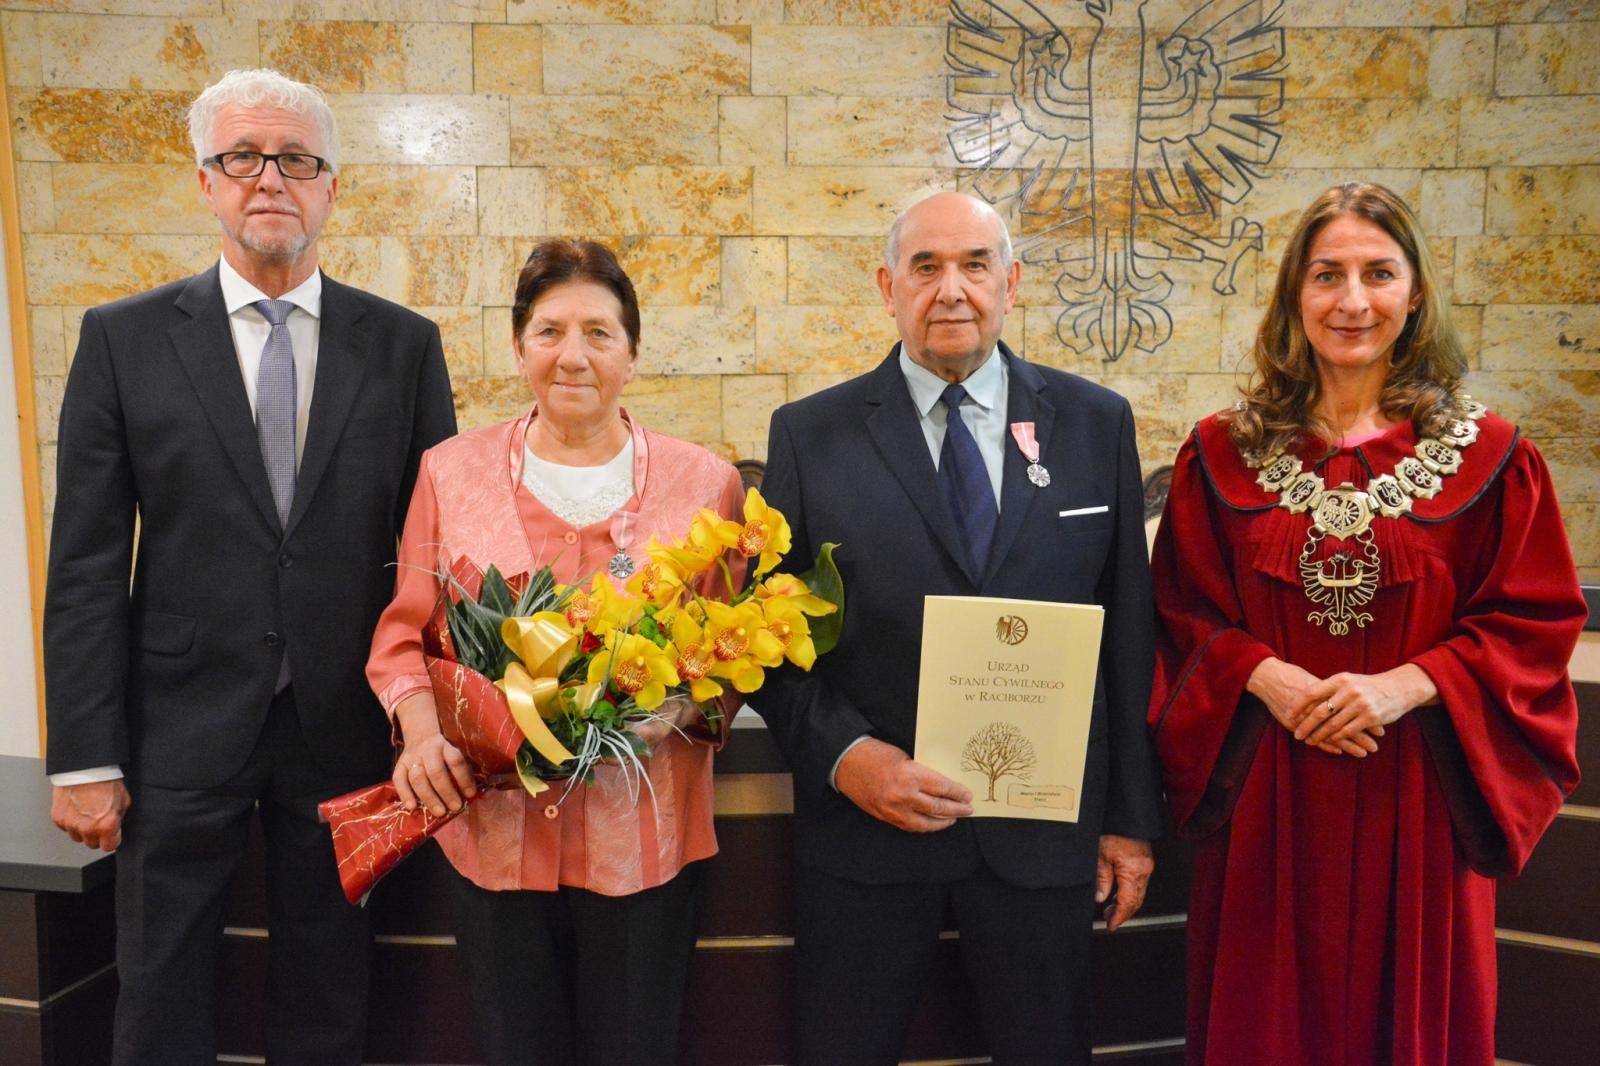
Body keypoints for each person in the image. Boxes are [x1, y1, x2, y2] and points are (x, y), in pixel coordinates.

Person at [42, 68, 457, 1065]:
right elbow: (88, 562)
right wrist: (86, 756)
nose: (270, 178)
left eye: (297, 160)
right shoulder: (122, 339)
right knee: (160, 987)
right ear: (206, 182)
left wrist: (432, 719)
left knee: (330, 991)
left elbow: (433, 551)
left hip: (346, 724)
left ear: (331, 187)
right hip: (177, 727)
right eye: (242, 157)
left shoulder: (404, 346)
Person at [1148, 181, 1585, 1065]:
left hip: (1418, 792)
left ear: (1415, 292)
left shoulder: (1495, 459)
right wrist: (1265, 676)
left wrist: (1405, 685)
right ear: (1294, 295)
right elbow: (1179, 612)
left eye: (1379, 273)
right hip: (1266, 793)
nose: (1353, 301)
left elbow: (1533, 624)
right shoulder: (1220, 454)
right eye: (1327, 275)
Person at [747, 191, 1164, 1065]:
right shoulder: (810, 436)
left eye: (975, 265)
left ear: (1011, 282)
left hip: (1045, 843)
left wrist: (1129, 821)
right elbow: (769, 644)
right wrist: (847, 757)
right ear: (887, 287)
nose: (951, 290)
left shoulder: (1095, 424)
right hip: (869, 837)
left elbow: (1128, 637)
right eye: (926, 266)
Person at [365, 238, 745, 1066]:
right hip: (493, 833)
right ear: (518, 347)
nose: (573, 355)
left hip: (643, 836)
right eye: (549, 331)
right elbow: (402, 638)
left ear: (632, 354)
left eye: (599, 333)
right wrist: (422, 735)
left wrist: (678, 708)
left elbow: (730, 657)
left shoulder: (706, 485)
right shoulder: (449, 473)